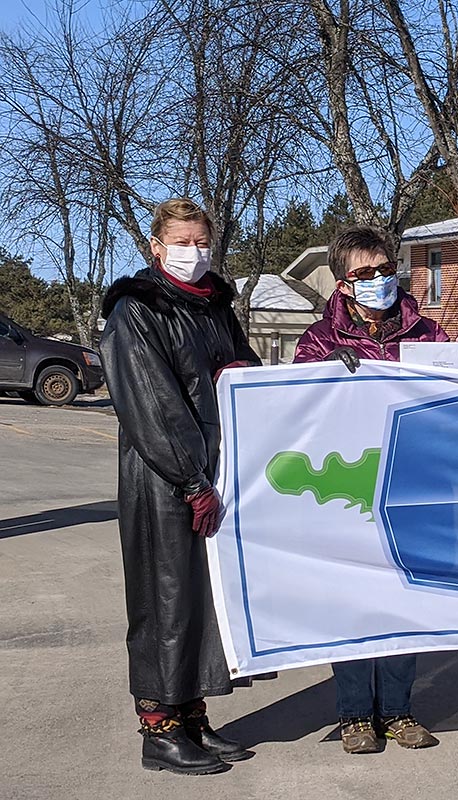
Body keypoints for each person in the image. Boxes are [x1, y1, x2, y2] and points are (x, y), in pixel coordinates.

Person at [100, 198, 260, 775]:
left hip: (210, 472)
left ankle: (192, 716)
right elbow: (152, 404)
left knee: (200, 599)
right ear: (156, 246)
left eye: (202, 242)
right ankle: (158, 728)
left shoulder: (215, 304)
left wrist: (240, 373)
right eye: (183, 242)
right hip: (163, 476)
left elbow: (236, 365)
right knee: (162, 599)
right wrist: (190, 480)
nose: (194, 253)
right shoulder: (136, 310)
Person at [293, 224, 447, 754]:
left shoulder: (427, 334)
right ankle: (356, 714)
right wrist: (321, 378)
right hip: (348, 489)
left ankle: (400, 710)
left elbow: (456, 399)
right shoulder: (318, 340)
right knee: (354, 600)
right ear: (342, 283)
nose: (379, 280)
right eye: (364, 274)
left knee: (402, 597)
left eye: (385, 270)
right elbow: (297, 416)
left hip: (412, 484)